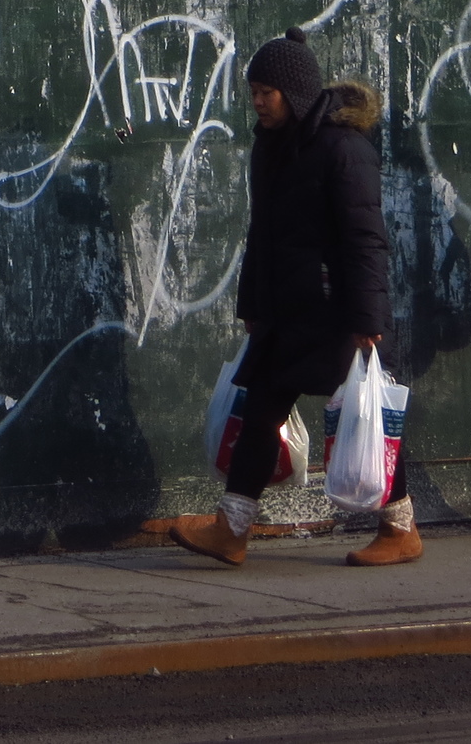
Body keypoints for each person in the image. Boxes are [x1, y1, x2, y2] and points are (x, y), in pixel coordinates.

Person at [170, 28, 418, 568]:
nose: (258, 102)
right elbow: (262, 233)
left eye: (268, 92)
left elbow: (365, 238)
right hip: (285, 310)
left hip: (334, 314)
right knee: (259, 412)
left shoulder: (344, 148)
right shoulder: (270, 146)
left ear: (296, 92)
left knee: (359, 413)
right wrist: (253, 306)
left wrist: (367, 318)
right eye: (254, 91)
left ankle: (400, 529)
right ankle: (231, 529)